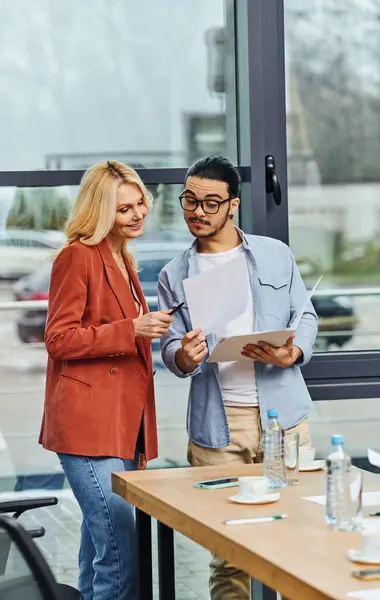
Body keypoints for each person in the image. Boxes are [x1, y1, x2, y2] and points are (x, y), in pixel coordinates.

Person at [158, 156, 318, 600]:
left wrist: (293, 351)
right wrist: (185, 357)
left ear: (233, 205)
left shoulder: (274, 253)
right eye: (190, 200)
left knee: (299, 539)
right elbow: (171, 349)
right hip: (218, 428)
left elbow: (305, 313)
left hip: (283, 419)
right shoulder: (174, 273)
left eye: (211, 202)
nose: (199, 212)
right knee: (228, 552)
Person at [39, 160, 173, 600]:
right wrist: (131, 330)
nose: (137, 215)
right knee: (118, 549)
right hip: (88, 425)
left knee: (100, 544)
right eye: (123, 210)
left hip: (121, 422)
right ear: (99, 212)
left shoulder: (123, 258)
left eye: (140, 205)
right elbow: (59, 339)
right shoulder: (78, 256)